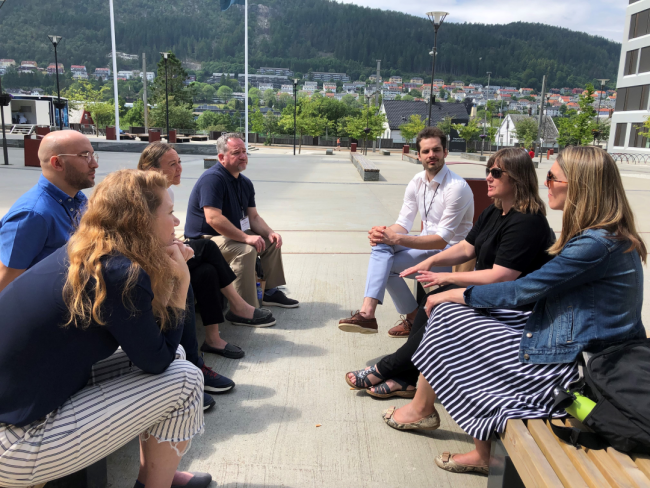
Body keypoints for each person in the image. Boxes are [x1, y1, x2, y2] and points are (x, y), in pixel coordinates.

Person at [382, 146, 646, 477]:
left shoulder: (596, 244)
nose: (546, 182)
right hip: (567, 340)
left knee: (455, 322)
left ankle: (474, 443)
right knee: (452, 314)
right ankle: (432, 412)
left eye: (553, 176)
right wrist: (453, 291)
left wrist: (456, 292)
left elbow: (522, 288)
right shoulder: (600, 235)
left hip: (580, 369)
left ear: (581, 186)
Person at [0, 170, 212, 488]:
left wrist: (166, 281)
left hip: (20, 408)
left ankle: (160, 471)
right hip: (16, 443)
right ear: (141, 220)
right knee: (186, 381)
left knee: (177, 356)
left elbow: (153, 346)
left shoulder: (90, 252)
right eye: (169, 212)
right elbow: (156, 361)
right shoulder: (120, 273)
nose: (176, 223)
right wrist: (181, 284)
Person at [345, 147, 554, 398]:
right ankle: (408, 377)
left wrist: (447, 276)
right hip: (491, 292)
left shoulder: (527, 221)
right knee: (432, 301)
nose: (488, 177)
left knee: (441, 302)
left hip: (511, 304)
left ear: (518, 177)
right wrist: (431, 263)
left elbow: (502, 276)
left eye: (496, 172)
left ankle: (389, 367)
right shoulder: (495, 211)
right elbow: (467, 247)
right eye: (488, 171)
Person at [138, 142, 276, 360]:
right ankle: (239, 305)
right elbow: (141, 241)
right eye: (172, 164)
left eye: (180, 162)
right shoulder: (142, 195)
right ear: (153, 169)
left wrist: (174, 244)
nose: (179, 168)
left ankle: (213, 339)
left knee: (207, 272)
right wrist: (174, 247)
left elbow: (253, 217)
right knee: (210, 248)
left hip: (169, 249)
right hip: (152, 258)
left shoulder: (167, 191)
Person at [338, 126, 474, 335]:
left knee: (388, 264)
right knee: (382, 247)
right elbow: (403, 222)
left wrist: (396, 238)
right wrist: (383, 233)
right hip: (428, 249)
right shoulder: (417, 182)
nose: (432, 155)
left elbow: (441, 240)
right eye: (426, 151)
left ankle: (408, 318)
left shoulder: (456, 187)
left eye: (436, 150)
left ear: (445, 152)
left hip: (452, 258)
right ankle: (369, 313)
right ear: (418, 155)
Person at [185, 132, 299, 309]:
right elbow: (213, 218)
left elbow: (253, 217)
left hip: (228, 235)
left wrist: (270, 233)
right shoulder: (213, 179)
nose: (243, 156)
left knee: (271, 242)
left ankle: (269, 291)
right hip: (204, 239)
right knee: (246, 250)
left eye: (244, 152)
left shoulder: (245, 183)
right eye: (236, 152)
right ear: (221, 157)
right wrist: (246, 238)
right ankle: (244, 308)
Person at [0, 131, 97, 293]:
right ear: (57, 163)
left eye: (93, 155)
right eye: (84, 156)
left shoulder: (77, 200)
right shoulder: (33, 215)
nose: (94, 164)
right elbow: (5, 280)